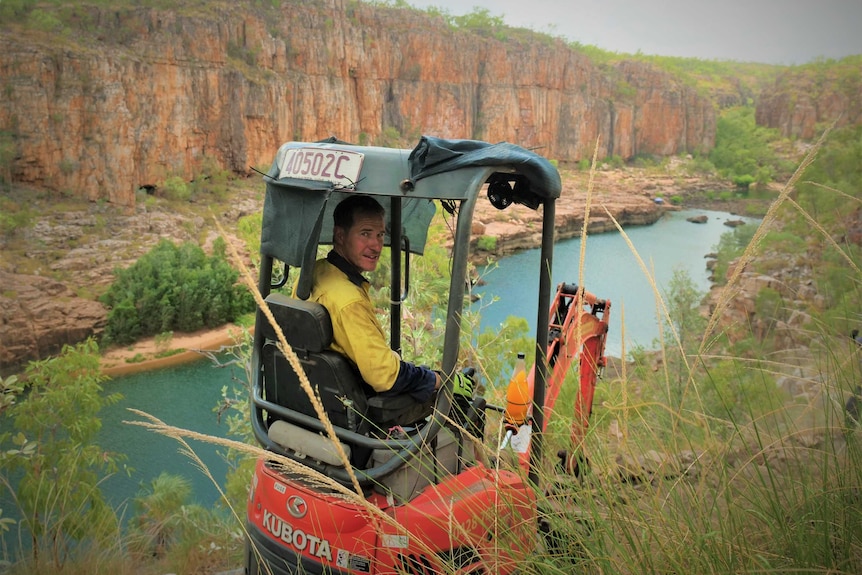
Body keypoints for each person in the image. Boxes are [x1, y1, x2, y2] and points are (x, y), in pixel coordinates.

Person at [306, 194, 473, 404]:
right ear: (340, 236)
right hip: (356, 403)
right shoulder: (349, 301)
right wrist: (441, 381)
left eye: (380, 235)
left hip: (320, 391)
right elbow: (384, 376)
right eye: (365, 234)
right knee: (456, 398)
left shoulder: (317, 270)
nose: (376, 245)